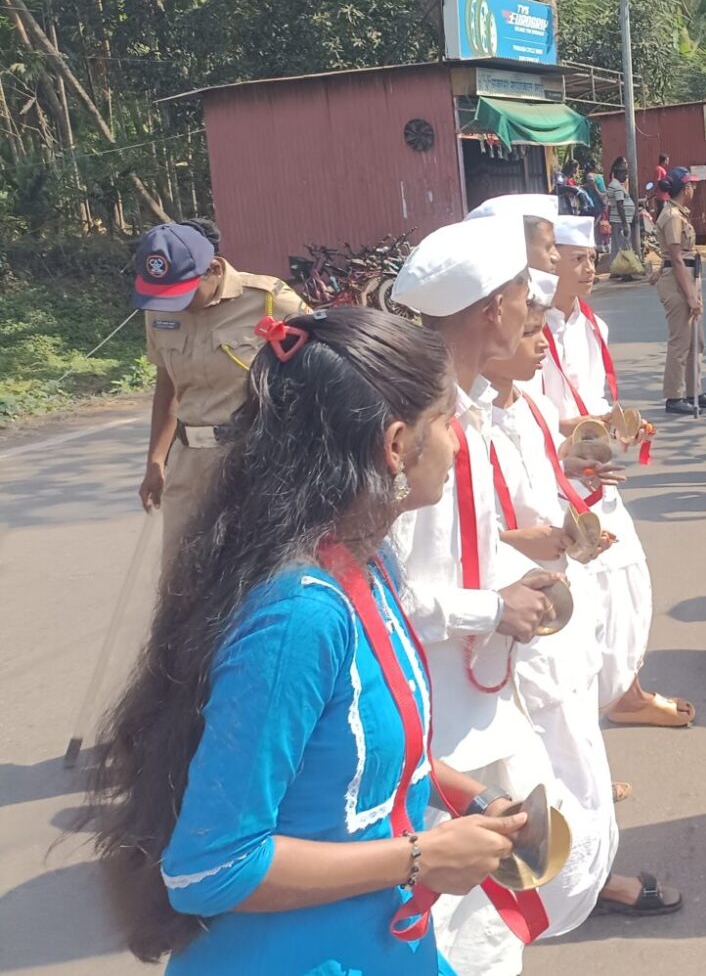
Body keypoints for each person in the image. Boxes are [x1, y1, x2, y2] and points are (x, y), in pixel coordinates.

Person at [90, 306, 531, 974]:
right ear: (394, 444)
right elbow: (211, 868)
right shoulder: (299, 617)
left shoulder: (364, 565)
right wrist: (421, 857)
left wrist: (472, 800)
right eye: (445, 419)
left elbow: (361, 756)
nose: (457, 440)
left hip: (382, 946)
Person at [387, 218, 567, 976]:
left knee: (502, 908)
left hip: (488, 700)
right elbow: (388, 596)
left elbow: (478, 549)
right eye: (526, 293)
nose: (535, 311)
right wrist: (493, 608)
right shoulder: (423, 427)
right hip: (438, 720)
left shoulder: (474, 411)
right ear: (493, 308)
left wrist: (524, 588)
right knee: (457, 925)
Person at [481, 293, 682, 920]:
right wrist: (522, 543)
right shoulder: (458, 425)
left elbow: (542, 479)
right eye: (530, 330)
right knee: (543, 763)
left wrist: (581, 470)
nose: (544, 344)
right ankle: (572, 892)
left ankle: (581, 882)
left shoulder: (532, 404)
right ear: (484, 329)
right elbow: (447, 545)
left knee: (576, 753)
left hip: (554, 618)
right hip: (513, 627)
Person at [540, 223, 695, 729]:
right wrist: (585, 431)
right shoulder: (531, 330)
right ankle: (584, 720)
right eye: (577, 259)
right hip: (553, 480)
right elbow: (526, 411)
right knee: (577, 602)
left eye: (591, 258)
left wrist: (618, 429)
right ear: (547, 261)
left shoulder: (591, 323)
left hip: (596, 473)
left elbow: (595, 402)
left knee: (627, 583)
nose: (590, 268)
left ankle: (627, 692)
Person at [136, 222, 306, 550]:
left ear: (213, 269)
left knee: (252, 567)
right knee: (182, 571)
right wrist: (156, 461)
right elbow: (167, 388)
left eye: (182, 293)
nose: (175, 304)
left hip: (252, 458)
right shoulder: (158, 312)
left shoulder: (268, 298)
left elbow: (320, 364)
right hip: (189, 463)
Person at [651, 168, 706, 414]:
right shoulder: (672, 216)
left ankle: (694, 391)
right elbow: (676, 258)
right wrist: (691, 297)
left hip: (688, 277)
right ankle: (674, 397)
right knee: (681, 341)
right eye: (690, 185)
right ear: (683, 188)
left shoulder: (678, 214)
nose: (693, 188)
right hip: (679, 281)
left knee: (696, 341)